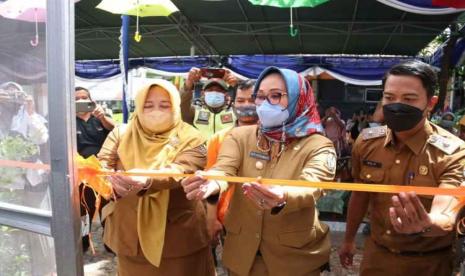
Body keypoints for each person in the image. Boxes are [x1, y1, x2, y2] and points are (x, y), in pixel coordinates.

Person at [181, 66, 336, 276]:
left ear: (298, 99)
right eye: (261, 97)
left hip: (294, 260)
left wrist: (284, 196)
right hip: (242, 257)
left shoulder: (319, 145)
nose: (264, 104)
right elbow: (224, 169)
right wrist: (212, 182)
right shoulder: (240, 136)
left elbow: (313, 184)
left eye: (275, 96)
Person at [339, 60, 465, 276]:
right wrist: (349, 239)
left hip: (428, 265)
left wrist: (425, 224)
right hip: (376, 259)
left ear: (431, 103)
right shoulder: (367, 143)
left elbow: (446, 213)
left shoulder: (453, 152)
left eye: (409, 99)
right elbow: (360, 194)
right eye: (389, 97)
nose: (397, 105)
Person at [97, 79, 215, 275]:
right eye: (148, 105)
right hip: (129, 234)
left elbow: (182, 170)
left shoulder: (192, 137)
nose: (155, 111)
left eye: (164, 105)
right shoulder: (121, 133)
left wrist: (147, 180)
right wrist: (109, 185)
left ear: (176, 107)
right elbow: (102, 164)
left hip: (178, 236)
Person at [204, 79, 258, 260]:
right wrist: (211, 219)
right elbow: (211, 181)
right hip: (230, 220)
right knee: (235, 266)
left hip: (265, 218)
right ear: (233, 103)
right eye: (241, 101)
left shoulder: (273, 138)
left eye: (252, 100)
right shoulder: (219, 139)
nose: (246, 105)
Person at [75, 86, 115, 252]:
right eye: (76, 99)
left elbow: (117, 131)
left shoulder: (100, 118)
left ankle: (109, 241)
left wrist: (102, 117)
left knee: (107, 209)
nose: (81, 101)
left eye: (85, 97)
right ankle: (84, 240)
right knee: (84, 210)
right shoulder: (67, 120)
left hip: (103, 173)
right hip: (82, 175)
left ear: (91, 100)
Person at [180, 67, 238, 139]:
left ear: (226, 94)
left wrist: (236, 86)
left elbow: (244, 105)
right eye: (210, 90)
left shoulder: (234, 111)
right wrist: (188, 83)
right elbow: (182, 104)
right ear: (203, 93)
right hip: (200, 149)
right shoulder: (195, 111)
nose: (214, 92)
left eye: (219, 90)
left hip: (226, 149)